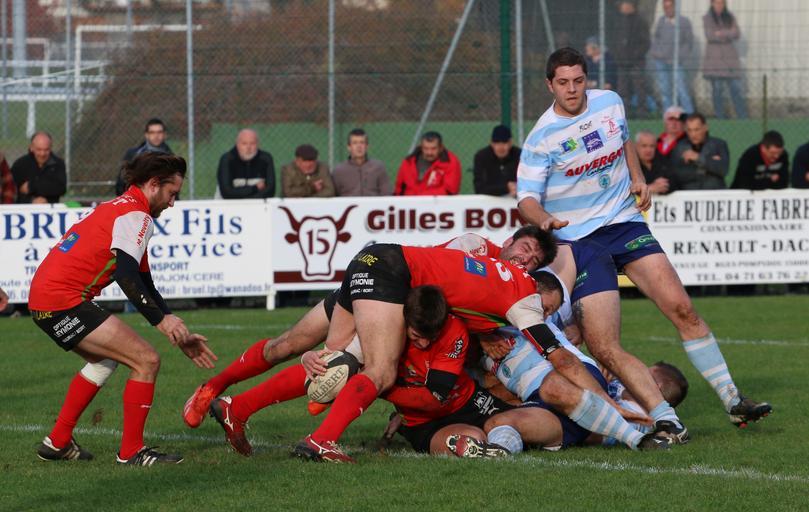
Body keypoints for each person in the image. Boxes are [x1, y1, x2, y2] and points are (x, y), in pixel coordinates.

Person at [516, 47, 770, 430]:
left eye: (579, 80)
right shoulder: (541, 137)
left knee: (682, 308)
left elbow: (624, 142)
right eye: (563, 83)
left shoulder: (609, 102)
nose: (572, 89)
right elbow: (526, 200)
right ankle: (639, 416)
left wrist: (638, 177)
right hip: (580, 242)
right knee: (596, 343)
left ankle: (733, 400)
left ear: (587, 79)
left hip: (624, 223)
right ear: (550, 85)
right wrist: (545, 219)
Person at [292, 244, 647, 463]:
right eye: (546, 307)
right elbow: (559, 357)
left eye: (551, 312)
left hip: (380, 266)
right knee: (367, 368)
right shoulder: (515, 304)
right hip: (393, 276)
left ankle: (629, 425)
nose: (545, 316)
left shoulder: (476, 311)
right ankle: (321, 439)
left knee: (343, 361)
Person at [181, 226, 557, 430]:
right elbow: (436, 297)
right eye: (524, 247)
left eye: (534, 259)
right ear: (508, 241)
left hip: (385, 293)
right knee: (288, 345)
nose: (525, 258)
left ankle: (238, 407)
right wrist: (484, 334)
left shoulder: (508, 285)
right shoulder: (475, 247)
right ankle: (214, 389)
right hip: (389, 295)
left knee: (336, 360)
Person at [28, 153, 216, 466]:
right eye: (172, 193)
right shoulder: (136, 215)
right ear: (153, 184)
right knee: (146, 360)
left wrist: (170, 321)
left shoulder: (122, 207)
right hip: (62, 300)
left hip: (45, 300)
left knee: (103, 362)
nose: (172, 203)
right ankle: (131, 451)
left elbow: (144, 279)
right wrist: (162, 323)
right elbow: (126, 276)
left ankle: (58, 441)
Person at [702, 0, 747, 119]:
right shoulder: (707, 18)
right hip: (714, 61)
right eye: (717, 3)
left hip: (730, 60)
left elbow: (737, 33)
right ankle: (720, 117)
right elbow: (710, 35)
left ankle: (743, 117)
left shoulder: (730, 16)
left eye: (722, 3)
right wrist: (728, 33)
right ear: (712, 4)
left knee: (735, 89)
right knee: (717, 90)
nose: (720, 5)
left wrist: (720, 33)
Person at [650, 0, 695, 113]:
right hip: (661, 62)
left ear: (675, 7)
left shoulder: (684, 22)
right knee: (665, 90)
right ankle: (668, 115)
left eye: (670, 7)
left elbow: (689, 42)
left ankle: (690, 115)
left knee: (681, 89)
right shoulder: (661, 21)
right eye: (665, 7)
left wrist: (680, 57)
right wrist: (656, 53)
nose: (667, 10)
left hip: (676, 62)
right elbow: (656, 39)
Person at [608, 0, 651, 117]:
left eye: (626, 4)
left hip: (637, 62)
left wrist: (635, 56)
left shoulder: (640, 21)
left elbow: (645, 43)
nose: (624, 7)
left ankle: (642, 112)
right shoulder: (617, 22)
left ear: (632, 6)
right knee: (623, 88)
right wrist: (617, 55)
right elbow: (612, 41)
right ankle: (624, 112)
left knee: (639, 87)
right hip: (621, 62)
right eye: (622, 5)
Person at [669, 112, 729, 190]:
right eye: (689, 130)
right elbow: (677, 175)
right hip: (689, 194)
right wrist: (710, 163)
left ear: (705, 128)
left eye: (696, 130)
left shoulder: (719, 144)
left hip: (714, 193)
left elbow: (722, 170)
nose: (693, 134)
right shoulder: (679, 147)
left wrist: (698, 158)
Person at [116, 118, 173, 195]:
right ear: (146, 135)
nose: (156, 136)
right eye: (152, 132)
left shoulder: (171, 158)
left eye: (159, 132)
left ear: (165, 134)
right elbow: (122, 180)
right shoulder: (133, 154)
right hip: (135, 198)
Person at [394, 131, 461, 196]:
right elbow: (399, 188)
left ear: (441, 148)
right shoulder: (409, 161)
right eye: (426, 148)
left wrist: (421, 197)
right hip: (409, 202)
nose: (429, 152)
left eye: (433, 148)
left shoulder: (450, 162)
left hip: (437, 202)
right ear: (421, 147)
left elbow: (450, 191)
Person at [216, 129, 275, 199]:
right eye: (244, 143)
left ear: (258, 144)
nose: (248, 147)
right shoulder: (227, 160)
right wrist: (255, 188)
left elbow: (270, 191)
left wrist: (247, 198)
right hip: (227, 204)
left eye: (252, 143)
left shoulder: (265, 159)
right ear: (237, 144)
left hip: (257, 204)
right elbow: (226, 193)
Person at [332, 128, 392, 196]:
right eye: (355, 143)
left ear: (367, 146)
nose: (359, 146)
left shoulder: (378, 167)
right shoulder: (339, 171)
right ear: (349, 147)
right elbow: (333, 196)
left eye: (362, 142)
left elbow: (387, 193)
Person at [11, 132, 66, 204]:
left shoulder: (58, 164)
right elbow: (13, 191)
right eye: (39, 149)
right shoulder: (20, 165)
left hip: (51, 207)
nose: (42, 154)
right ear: (31, 147)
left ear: (51, 148)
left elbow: (61, 188)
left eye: (46, 150)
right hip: (24, 208)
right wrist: (31, 201)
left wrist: (32, 186)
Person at [472, 125, 521, 197]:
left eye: (504, 142)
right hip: (488, 201)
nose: (500, 147)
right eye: (497, 142)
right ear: (491, 143)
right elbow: (479, 188)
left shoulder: (519, 155)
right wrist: (506, 188)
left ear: (510, 143)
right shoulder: (481, 157)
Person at [656, 105, 688, 177]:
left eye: (678, 119)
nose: (674, 123)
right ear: (664, 121)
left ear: (684, 123)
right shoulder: (656, 142)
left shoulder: (689, 142)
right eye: (671, 119)